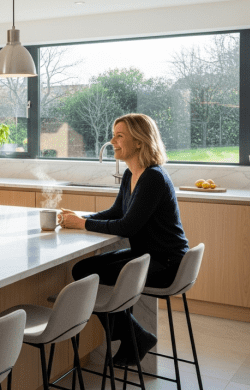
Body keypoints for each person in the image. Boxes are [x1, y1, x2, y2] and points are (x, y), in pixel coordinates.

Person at [60, 113, 189, 366]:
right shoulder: (132, 174)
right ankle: (134, 336)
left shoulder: (153, 177)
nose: (112, 141)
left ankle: (134, 337)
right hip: (147, 256)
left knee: (88, 275)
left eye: (119, 136)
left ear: (139, 142)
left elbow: (128, 226)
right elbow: (116, 212)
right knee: (83, 269)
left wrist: (83, 223)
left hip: (167, 262)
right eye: (114, 134)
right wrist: (80, 216)